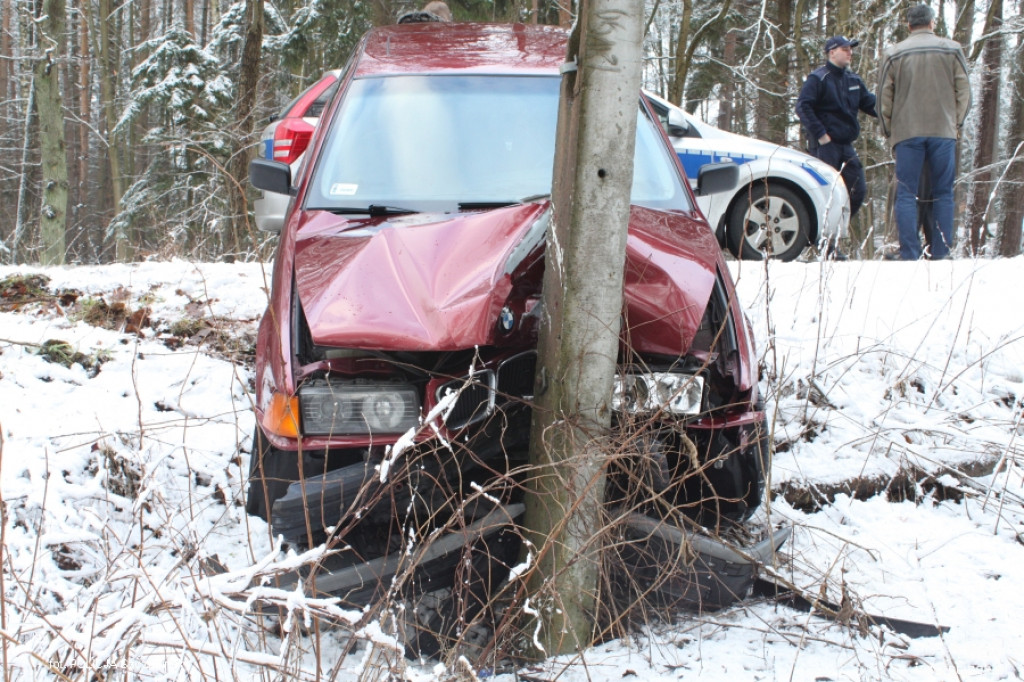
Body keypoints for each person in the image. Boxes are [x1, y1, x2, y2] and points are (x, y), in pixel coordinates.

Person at [878, 4, 971, 260]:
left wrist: (889, 129)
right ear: (932, 23)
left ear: (909, 25)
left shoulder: (894, 53)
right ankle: (941, 252)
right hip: (943, 130)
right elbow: (964, 92)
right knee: (943, 192)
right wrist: (956, 123)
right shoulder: (952, 49)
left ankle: (909, 252)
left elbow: (884, 97)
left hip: (907, 131)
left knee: (906, 192)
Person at [796, 35, 878, 259]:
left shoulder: (853, 79)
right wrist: (821, 135)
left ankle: (832, 234)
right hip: (825, 147)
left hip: (846, 145)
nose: (850, 52)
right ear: (832, 52)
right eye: (845, 48)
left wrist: (894, 108)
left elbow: (871, 104)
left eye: (851, 49)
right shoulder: (818, 78)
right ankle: (825, 245)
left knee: (857, 190)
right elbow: (803, 107)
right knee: (827, 193)